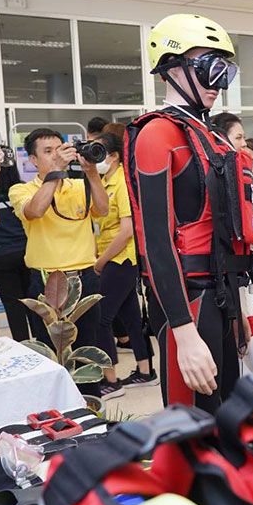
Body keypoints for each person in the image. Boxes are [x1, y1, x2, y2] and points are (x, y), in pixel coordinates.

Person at [126, 13, 253, 412]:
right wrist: (183, 331)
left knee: (227, 416)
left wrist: (242, 308)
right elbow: (156, 242)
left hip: (223, 296)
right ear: (172, 69)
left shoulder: (211, 134)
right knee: (193, 424)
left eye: (224, 71)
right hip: (190, 301)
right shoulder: (157, 134)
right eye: (208, 69)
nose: (218, 84)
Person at [9, 128, 108, 354]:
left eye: (59, 149)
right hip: (48, 281)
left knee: (88, 346)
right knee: (51, 349)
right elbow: (35, 210)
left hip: (85, 277)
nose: (56, 155)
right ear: (33, 160)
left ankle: (90, 390)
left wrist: (91, 173)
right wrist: (55, 172)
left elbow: (102, 210)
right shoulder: (21, 190)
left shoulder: (79, 186)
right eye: (47, 151)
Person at [91, 130, 154, 398]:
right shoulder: (105, 181)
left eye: (100, 152)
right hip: (111, 257)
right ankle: (145, 371)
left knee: (101, 319)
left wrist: (100, 262)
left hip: (120, 258)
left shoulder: (122, 183)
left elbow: (127, 230)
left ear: (115, 156)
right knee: (130, 317)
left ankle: (111, 380)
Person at [0, 153, 32, 342]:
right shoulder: (22, 190)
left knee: (12, 304)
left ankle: (22, 343)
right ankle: (42, 345)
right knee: (34, 302)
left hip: (0, 256)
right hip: (26, 252)